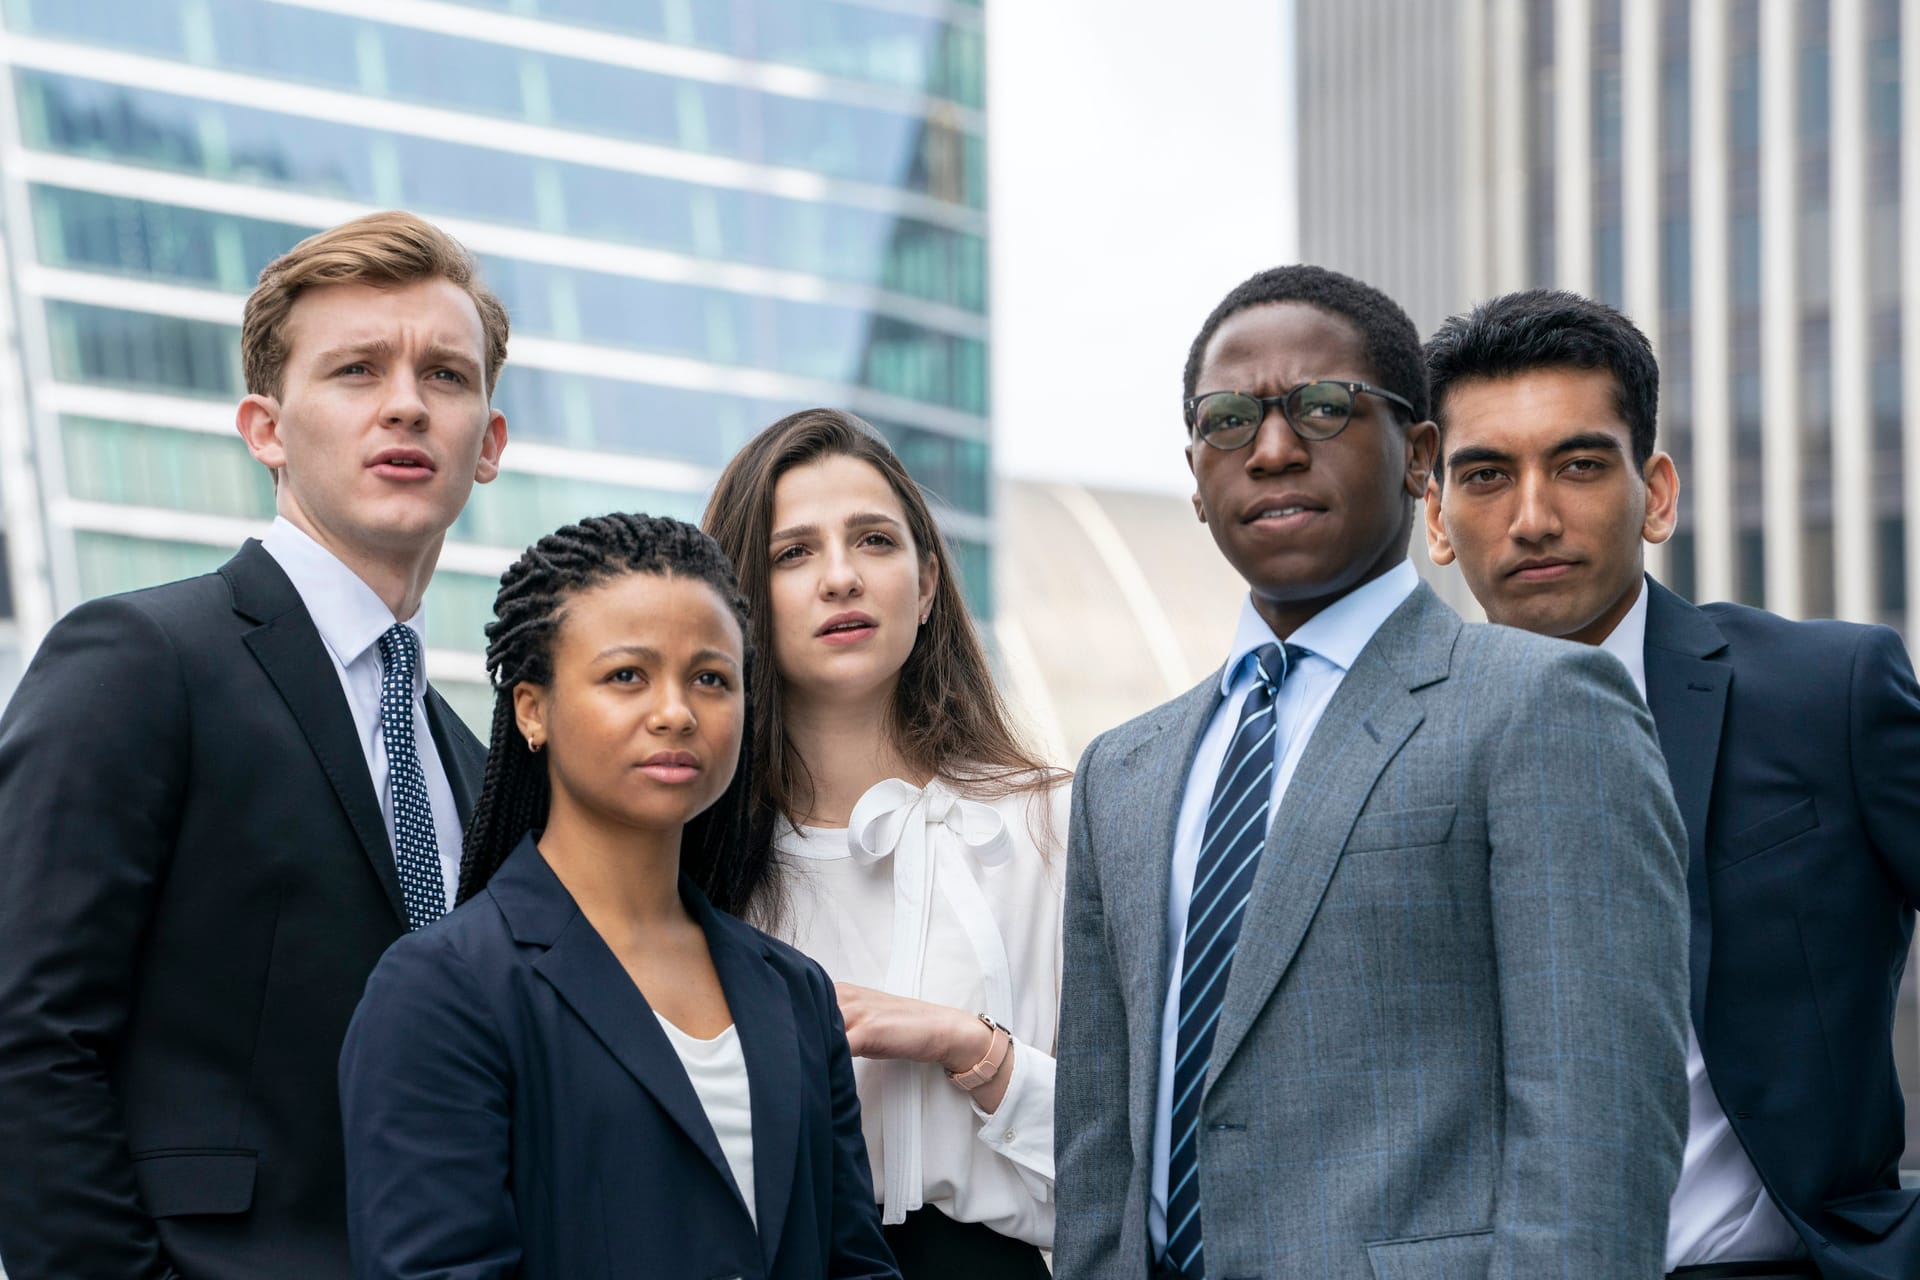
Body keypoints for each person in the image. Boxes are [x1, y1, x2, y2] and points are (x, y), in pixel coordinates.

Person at [1053, 264, 1694, 1280]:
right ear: (1194, 474)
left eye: (1322, 408)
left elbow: (1596, 1129)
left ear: (1419, 457)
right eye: (1228, 420)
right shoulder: (1121, 772)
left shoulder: (1540, 705)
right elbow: (1097, 1154)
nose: (1271, 449)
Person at [0, 211, 508, 1280]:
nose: (406, 402)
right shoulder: (140, 658)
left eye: (447, 377)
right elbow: (26, 1033)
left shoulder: (477, 765)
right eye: (357, 370)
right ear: (265, 428)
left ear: (490, 443)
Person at [1424, 287, 1920, 1280]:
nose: (1531, 516)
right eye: (1486, 475)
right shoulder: (1384, 751)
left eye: (1577, 464)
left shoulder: (1829, 693)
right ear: (1436, 515)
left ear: (1655, 493)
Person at [339, 512, 898, 1280]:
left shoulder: (796, 993)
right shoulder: (442, 990)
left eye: (711, 678)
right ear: (532, 709)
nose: (676, 712)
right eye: (627, 675)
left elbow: (855, 1265)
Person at [702, 409, 1067, 1278]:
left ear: (929, 582)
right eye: (794, 553)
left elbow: (1139, 1152)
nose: (841, 578)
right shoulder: (693, 861)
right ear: (738, 602)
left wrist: (972, 1048)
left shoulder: (1051, 824)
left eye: (873, 541)